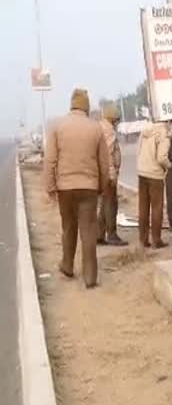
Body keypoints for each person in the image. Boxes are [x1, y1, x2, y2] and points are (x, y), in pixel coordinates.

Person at [43, 88, 110, 288]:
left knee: (68, 227)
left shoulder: (58, 126)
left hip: (65, 188)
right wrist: (101, 187)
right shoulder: (96, 128)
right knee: (88, 231)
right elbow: (104, 165)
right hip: (88, 188)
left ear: (71, 104)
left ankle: (67, 265)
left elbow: (50, 160)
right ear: (87, 106)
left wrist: (50, 186)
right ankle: (90, 277)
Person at [136, 120, 172, 248]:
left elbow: (138, 150)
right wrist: (169, 166)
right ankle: (157, 240)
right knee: (157, 208)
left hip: (142, 172)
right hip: (155, 174)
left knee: (143, 207)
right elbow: (161, 157)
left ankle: (143, 239)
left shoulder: (145, 130)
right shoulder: (163, 134)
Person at [96, 103, 128, 246]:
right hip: (107, 174)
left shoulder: (99, 127)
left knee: (103, 205)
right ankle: (112, 235)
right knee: (111, 204)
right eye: (117, 119)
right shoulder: (108, 131)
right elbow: (108, 155)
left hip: (101, 173)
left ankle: (99, 234)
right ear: (113, 118)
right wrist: (112, 175)